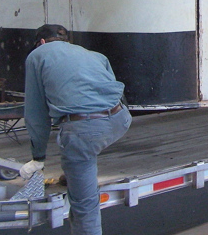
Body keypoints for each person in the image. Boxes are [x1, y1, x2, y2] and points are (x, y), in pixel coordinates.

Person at [20, 24, 131, 235]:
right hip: (121, 119)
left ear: (41, 42)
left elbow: (36, 113)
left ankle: (79, 169)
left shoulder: (37, 55)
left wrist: (38, 157)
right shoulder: (92, 54)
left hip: (86, 131)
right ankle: (77, 168)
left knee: (84, 204)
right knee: (83, 146)